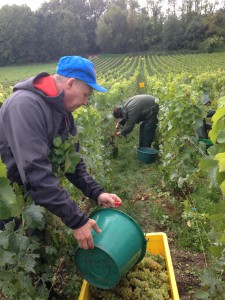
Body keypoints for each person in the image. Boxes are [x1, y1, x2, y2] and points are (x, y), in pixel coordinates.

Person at [0, 55, 122, 250]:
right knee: (10, 253)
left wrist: (97, 193)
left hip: (27, 193)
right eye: (86, 95)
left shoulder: (64, 116)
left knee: (31, 247)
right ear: (70, 83)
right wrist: (77, 220)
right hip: (5, 198)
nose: (86, 103)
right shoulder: (25, 106)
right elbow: (35, 172)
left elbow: (73, 164)